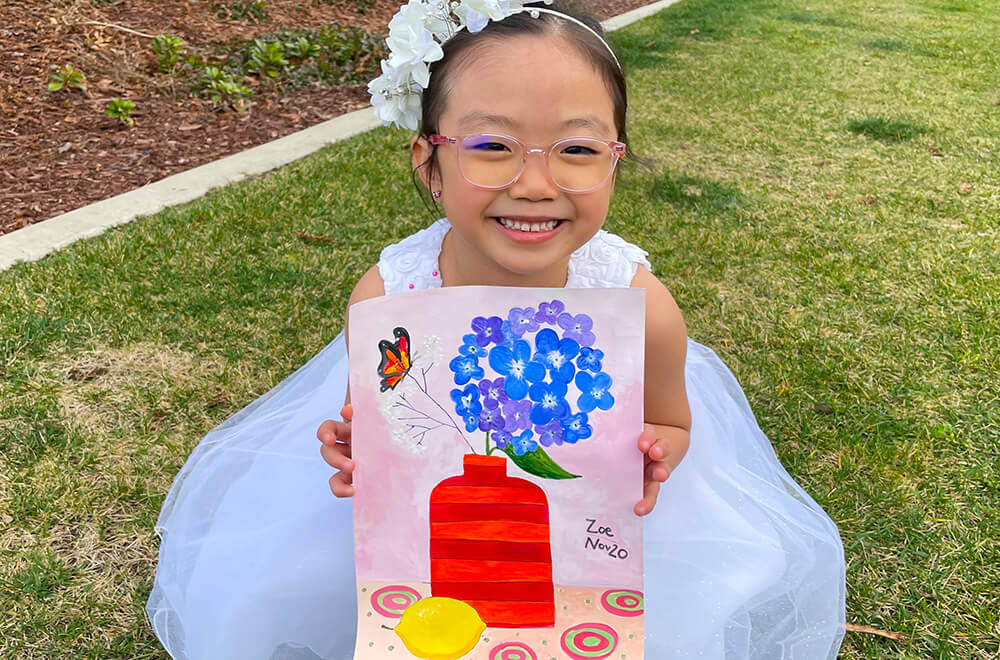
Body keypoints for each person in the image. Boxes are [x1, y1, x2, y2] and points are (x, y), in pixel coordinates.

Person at [147, 2, 846, 659]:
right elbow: (390, 421)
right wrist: (361, 446)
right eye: (491, 145)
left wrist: (660, 448)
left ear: (615, 160)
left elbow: (673, 421)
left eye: (576, 149)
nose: (536, 184)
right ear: (430, 163)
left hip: (598, 533)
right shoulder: (393, 296)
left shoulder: (639, 304)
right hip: (436, 533)